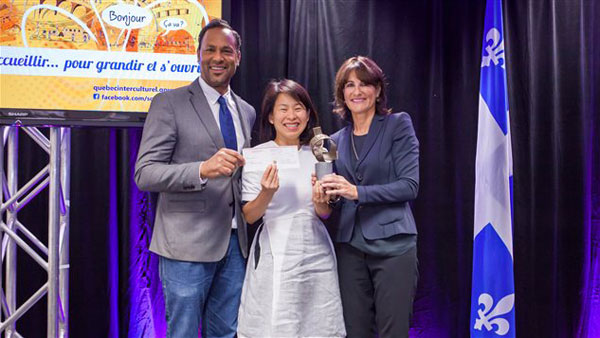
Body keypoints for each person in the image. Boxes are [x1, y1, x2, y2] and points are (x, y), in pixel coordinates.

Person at [134, 19, 256, 337]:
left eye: (226, 51)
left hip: (235, 245)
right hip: (185, 248)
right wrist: (201, 169)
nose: (218, 57)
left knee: (226, 332)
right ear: (198, 54)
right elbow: (145, 173)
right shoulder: (169, 103)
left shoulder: (246, 111)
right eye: (210, 50)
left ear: (238, 57)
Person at [319, 56, 420, 338]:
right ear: (342, 94)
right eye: (349, 85)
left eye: (364, 84)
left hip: (394, 246)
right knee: (354, 332)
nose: (357, 91)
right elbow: (336, 200)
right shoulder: (335, 139)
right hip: (350, 247)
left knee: (393, 332)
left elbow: (409, 186)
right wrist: (326, 192)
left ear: (377, 90)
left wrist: (356, 192)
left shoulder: (398, 125)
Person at [237, 79, 345, 338]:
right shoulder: (257, 156)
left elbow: (325, 212)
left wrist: (321, 203)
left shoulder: (320, 152)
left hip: (315, 250)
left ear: (308, 115)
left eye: (298, 108)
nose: (291, 116)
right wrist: (267, 192)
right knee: (274, 323)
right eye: (283, 109)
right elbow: (250, 216)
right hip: (275, 249)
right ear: (271, 117)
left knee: (317, 324)